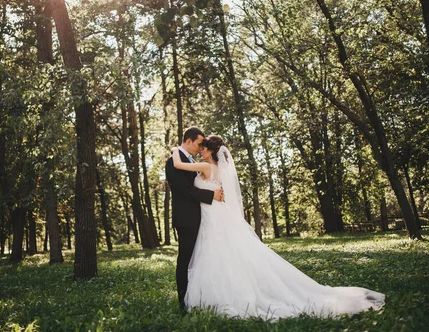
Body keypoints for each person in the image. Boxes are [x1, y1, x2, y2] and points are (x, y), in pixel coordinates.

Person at [170, 134, 385, 320]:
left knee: (218, 257)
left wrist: (174, 150)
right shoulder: (216, 168)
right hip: (213, 216)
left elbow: (179, 165)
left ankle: (219, 297)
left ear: (209, 151)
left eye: (202, 147)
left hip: (213, 218)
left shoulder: (207, 166)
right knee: (223, 257)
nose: (200, 150)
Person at [165, 127, 224, 313]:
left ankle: (199, 297)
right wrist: (211, 195)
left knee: (199, 260)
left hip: (203, 218)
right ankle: (183, 302)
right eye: (199, 143)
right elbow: (185, 190)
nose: (200, 148)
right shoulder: (172, 161)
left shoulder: (192, 161)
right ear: (189, 141)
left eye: (203, 145)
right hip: (187, 219)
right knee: (185, 259)